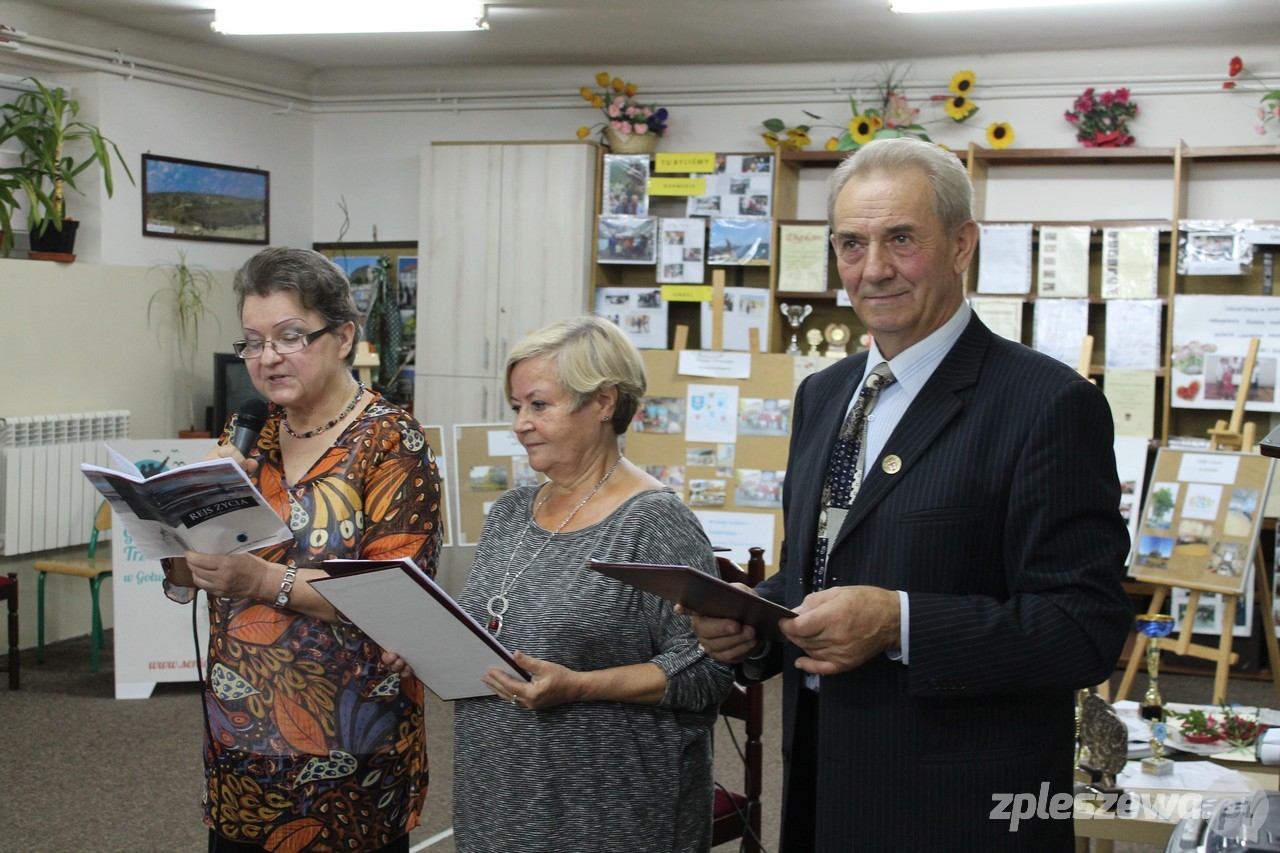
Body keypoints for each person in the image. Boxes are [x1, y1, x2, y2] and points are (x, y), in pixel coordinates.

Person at [684, 137, 1132, 851]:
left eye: (900, 239)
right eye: (851, 244)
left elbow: (1086, 629)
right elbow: (821, 568)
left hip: (958, 812)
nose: (874, 269)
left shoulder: (1046, 404)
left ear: (962, 245)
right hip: (818, 796)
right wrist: (753, 628)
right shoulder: (823, 395)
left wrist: (901, 623)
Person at [391, 315, 732, 852]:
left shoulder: (653, 521)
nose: (520, 423)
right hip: (497, 788)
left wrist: (579, 686)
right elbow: (495, 626)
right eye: (517, 408)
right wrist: (429, 644)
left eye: (539, 405)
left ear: (602, 403)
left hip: (609, 808)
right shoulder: (509, 511)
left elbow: (707, 671)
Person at [162, 246, 443, 853]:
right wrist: (179, 527)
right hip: (241, 739)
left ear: (343, 336)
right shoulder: (250, 434)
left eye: (289, 336)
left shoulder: (391, 441)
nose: (267, 358)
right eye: (252, 341)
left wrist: (261, 582)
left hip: (351, 747)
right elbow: (195, 573)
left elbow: (400, 599)